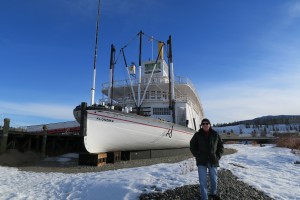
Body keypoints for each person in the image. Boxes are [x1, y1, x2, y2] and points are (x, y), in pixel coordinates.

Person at [190, 118, 224, 200]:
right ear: (201, 125)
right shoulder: (197, 135)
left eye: (206, 123)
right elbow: (192, 145)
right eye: (203, 124)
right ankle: (204, 197)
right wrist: (197, 155)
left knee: (214, 179)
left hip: (213, 160)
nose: (205, 125)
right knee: (202, 181)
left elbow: (221, 147)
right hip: (201, 161)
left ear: (210, 124)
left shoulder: (215, 134)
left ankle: (213, 193)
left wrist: (217, 156)